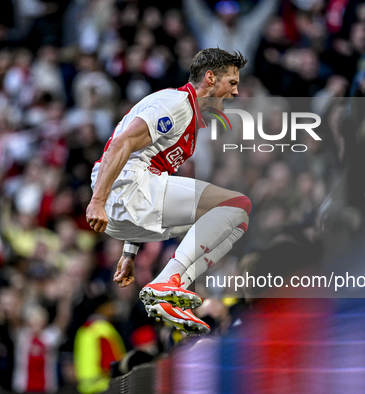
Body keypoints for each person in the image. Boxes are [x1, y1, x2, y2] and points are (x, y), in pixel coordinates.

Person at [86, 48, 251, 335]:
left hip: (130, 197)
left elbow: (154, 182)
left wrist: (129, 250)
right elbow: (120, 145)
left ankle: (169, 289)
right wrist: (97, 201)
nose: (236, 93)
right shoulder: (176, 104)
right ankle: (167, 282)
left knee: (237, 221)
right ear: (210, 79)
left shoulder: (188, 119)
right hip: (122, 188)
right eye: (232, 83)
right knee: (236, 204)